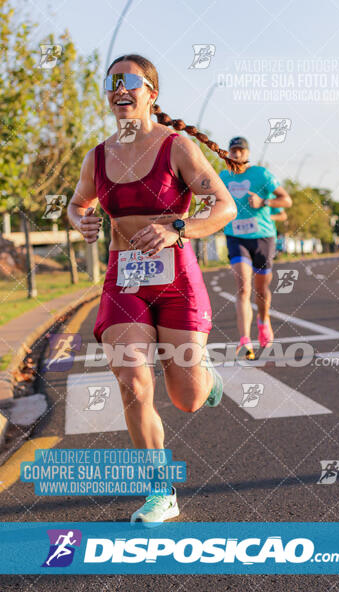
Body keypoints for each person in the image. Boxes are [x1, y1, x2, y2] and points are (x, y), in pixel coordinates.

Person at [67, 54, 239, 525]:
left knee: (187, 397)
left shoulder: (176, 148)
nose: (120, 89)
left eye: (130, 81)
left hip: (177, 278)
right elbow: (78, 202)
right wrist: (80, 218)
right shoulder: (97, 156)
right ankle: (159, 491)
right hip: (124, 280)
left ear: (151, 94)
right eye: (111, 82)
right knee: (133, 384)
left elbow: (222, 207)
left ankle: (206, 377)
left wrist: (177, 228)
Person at [219, 137, 292, 359]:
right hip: (235, 237)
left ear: (248, 153)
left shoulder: (261, 174)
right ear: (228, 153)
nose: (236, 154)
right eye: (233, 150)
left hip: (262, 236)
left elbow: (286, 200)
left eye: (240, 150)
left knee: (261, 290)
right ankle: (244, 341)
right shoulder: (222, 177)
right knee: (243, 288)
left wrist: (264, 202)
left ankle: (264, 319)